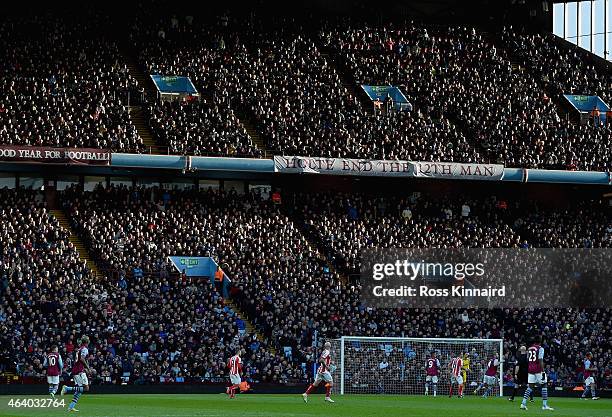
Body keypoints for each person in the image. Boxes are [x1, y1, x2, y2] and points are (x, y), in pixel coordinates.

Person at [521, 335, 554, 411]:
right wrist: (543, 371)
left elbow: (527, 359)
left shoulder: (529, 348)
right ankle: (544, 405)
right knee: (544, 384)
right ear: (540, 341)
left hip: (530, 370)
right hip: (538, 369)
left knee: (530, 387)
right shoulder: (540, 349)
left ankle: (523, 404)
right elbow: (540, 360)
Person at [61, 335, 91, 412]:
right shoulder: (85, 349)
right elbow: (82, 359)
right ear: (87, 342)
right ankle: (67, 388)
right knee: (86, 388)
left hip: (76, 370)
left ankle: (71, 407)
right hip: (79, 371)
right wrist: (87, 368)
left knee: (79, 391)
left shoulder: (79, 349)